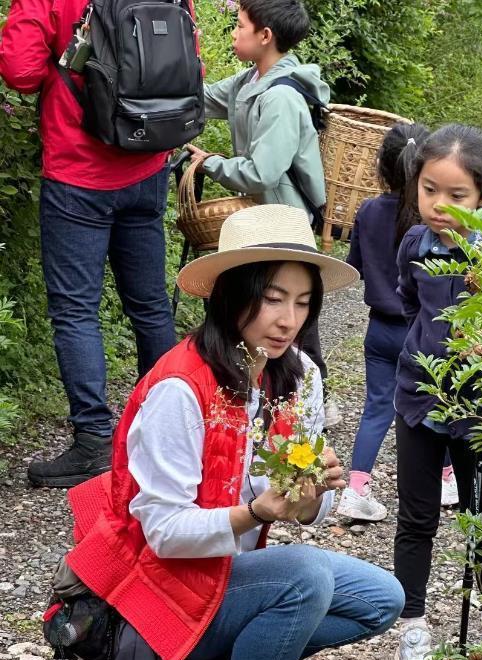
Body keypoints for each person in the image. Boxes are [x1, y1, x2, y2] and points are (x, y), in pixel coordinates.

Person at [61, 204, 405, 660]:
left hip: (225, 574)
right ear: (230, 294)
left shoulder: (296, 374)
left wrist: (309, 497)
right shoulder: (180, 387)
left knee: (380, 599)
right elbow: (162, 532)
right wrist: (254, 514)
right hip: (155, 584)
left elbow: (302, 507)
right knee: (304, 577)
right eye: (271, 298)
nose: (287, 320)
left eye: (303, 302)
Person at [0, 0, 179, 488]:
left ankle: (94, 440)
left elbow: (19, 70)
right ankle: (167, 430)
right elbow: (186, 63)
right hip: (148, 159)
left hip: (78, 171)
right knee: (149, 305)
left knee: (77, 311)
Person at [392, 125, 482, 660]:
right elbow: (409, 302)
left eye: (457, 195)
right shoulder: (414, 245)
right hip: (419, 394)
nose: (439, 205)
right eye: (429, 190)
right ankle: (413, 628)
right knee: (416, 515)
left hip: (481, 403)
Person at [188, 0, 341, 427]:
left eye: (240, 25)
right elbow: (202, 98)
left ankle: (315, 403)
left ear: (265, 36)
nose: (234, 33)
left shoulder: (281, 98)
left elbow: (262, 172)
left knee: (291, 312)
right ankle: (253, 399)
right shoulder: (250, 81)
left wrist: (211, 163)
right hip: (262, 218)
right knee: (258, 307)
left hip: (286, 221)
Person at [336, 122, 430, 522]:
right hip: (422, 330)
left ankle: (356, 489)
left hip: (378, 330)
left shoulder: (369, 210)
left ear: (380, 167)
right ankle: (445, 479)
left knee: (377, 407)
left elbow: (354, 266)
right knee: (434, 403)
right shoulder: (430, 221)